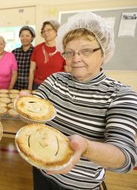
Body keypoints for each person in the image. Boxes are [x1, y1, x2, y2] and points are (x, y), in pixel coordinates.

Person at [31, 12, 137, 190]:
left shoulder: (120, 95)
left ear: (103, 53)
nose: (76, 58)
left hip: (80, 185)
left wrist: (86, 147)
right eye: (69, 52)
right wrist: (26, 106)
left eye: (86, 50)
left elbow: (125, 156)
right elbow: (34, 111)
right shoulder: (55, 80)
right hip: (41, 171)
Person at [28, 20, 67, 90]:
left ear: (56, 31)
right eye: (43, 31)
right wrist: (30, 88)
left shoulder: (63, 49)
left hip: (57, 86)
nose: (46, 33)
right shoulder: (37, 48)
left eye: (49, 30)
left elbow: (68, 71)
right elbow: (32, 70)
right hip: (38, 86)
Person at [12, 26, 35, 90]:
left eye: (27, 36)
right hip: (16, 86)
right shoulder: (14, 52)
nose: (24, 38)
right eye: (22, 36)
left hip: (31, 87)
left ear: (32, 37)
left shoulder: (36, 51)